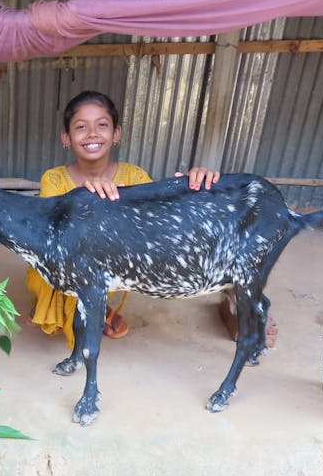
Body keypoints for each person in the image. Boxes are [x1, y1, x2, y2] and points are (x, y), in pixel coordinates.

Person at [25, 90, 220, 347]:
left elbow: (160, 221)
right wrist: (86, 197)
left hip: (109, 264)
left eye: (102, 125)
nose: (92, 134)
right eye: (81, 127)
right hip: (67, 261)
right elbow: (52, 233)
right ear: (66, 138)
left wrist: (190, 186)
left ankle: (95, 307)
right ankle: (54, 305)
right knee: (47, 267)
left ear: (116, 134)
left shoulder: (134, 176)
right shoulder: (54, 178)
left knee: (116, 265)